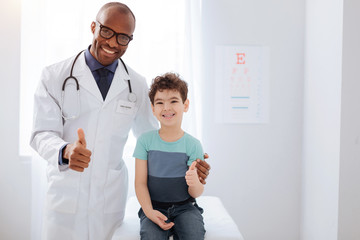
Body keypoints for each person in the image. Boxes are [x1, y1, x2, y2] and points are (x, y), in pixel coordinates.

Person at [30, 2, 210, 240]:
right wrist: (65, 150)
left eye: (123, 37)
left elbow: (154, 138)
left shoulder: (135, 83)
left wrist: (189, 163)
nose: (113, 42)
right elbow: (40, 133)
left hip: (109, 198)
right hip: (67, 194)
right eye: (107, 31)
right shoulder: (54, 76)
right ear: (93, 26)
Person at [134, 72, 206, 240]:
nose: (166, 108)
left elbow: (196, 192)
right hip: (154, 207)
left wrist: (194, 182)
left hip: (185, 208)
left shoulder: (193, 145)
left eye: (173, 101)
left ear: (185, 105)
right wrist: (149, 211)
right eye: (160, 103)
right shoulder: (145, 141)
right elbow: (140, 183)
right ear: (153, 108)